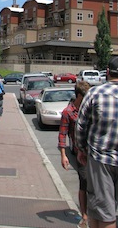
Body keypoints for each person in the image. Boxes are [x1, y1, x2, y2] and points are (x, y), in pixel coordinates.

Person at [76, 56, 118, 228]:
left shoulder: (95, 93)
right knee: (99, 209)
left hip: (101, 160)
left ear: (107, 72)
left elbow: (81, 126)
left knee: (105, 213)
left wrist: (81, 149)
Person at [58, 81, 91, 228]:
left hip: (95, 152)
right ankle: (84, 215)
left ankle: (94, 212)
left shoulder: (90, 109)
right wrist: (63, 155)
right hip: (80, 153)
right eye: (85, 96)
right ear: (78, 96)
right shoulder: (68, 112)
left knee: (96, 185)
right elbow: (62, 134)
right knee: (84, 183)